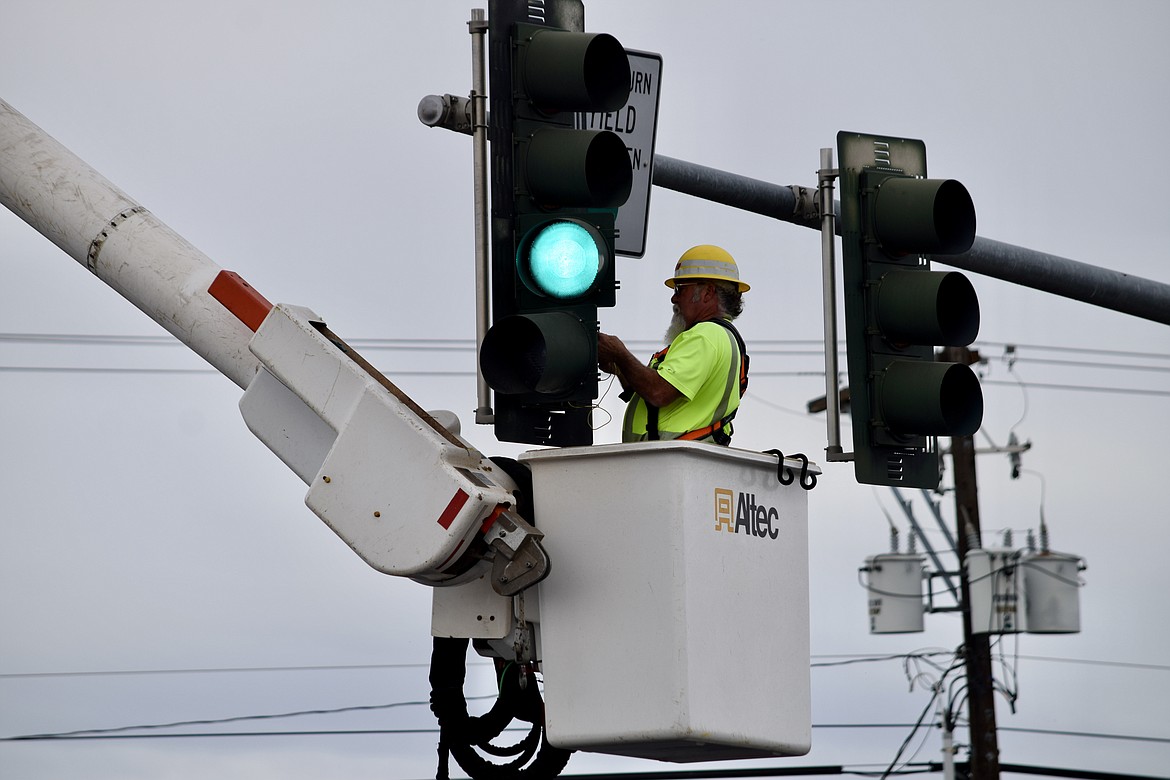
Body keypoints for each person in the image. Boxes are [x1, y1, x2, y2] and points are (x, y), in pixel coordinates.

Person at [597, 244, 750, 445]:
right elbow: (660, 397)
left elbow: (659, 392)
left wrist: (620, 354)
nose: (674, 297)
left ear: (707, 293)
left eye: (681, 289)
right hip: (674, 460)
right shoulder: (721, 337)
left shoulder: (706, 335)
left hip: (670, 462)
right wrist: (621, 369)